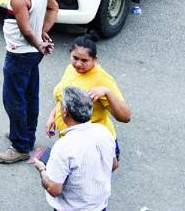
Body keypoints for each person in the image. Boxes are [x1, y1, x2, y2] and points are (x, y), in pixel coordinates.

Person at [0, 0, 59, 164]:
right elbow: (54, 7)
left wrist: (38, 41)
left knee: (13, 99)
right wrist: (43, 32)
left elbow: (25, 30)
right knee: (30, 95)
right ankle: (25, 134)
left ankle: (21, 146)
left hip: (19, 54)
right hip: (32, 54)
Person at [29, 87, 115, 211]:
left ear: (65, 112)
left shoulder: (64, 146)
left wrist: (42, 169)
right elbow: (113, 164)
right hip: (100, 206)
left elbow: (54, 189)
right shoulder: (104, 132)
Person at [48, 36, 131, 164]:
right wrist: (52, 116)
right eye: (75, 58)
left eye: (84, 60)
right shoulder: (71, 69)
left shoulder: (102, 79)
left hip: (92, 146)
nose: (78, 64)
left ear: (95, 60)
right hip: (71, 139)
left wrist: (107, 92)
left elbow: (125, 117)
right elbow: (64, 97)